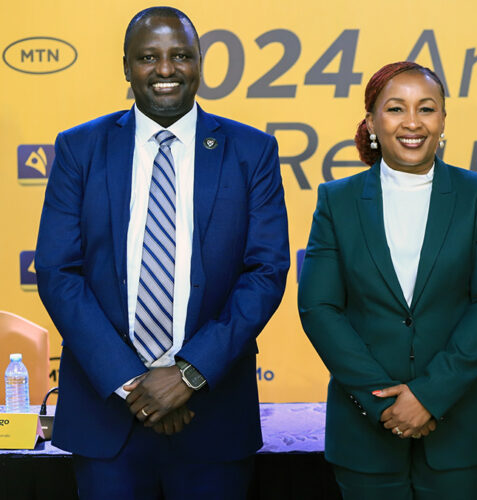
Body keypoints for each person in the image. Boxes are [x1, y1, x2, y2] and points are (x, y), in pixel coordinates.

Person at [35, 7, 289, 499]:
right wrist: (134, 383)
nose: (166, 69)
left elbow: (266, 271)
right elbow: (57, 271)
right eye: (149, 57)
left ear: (199, 63)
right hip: (106, 419)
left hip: (213, 416)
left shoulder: (251, 150)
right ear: (126, 66)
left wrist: (188, 374)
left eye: (181, 56)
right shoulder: (79, 148)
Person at [297, 61, 477, 499]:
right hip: (365, 436)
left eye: (426, 109)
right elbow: (318, 308)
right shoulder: (336, 201)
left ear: (443, 120)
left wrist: (430, 396)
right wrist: (384, 402)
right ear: (371, 122)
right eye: (396, 109)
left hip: (462, 432)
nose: (412, 122)